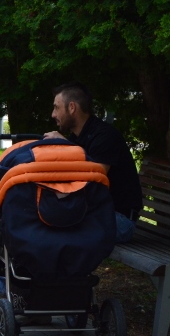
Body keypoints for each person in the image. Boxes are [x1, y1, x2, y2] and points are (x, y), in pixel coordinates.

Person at [44, 82, 143, 242]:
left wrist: (66, 146)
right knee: (42, 219)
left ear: (72, 107)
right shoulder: (77, 137)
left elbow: (94, 178)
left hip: (119, 219)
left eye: (56, 107)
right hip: (95, 213)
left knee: (56, 231)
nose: (53, 114)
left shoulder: (105, 136)